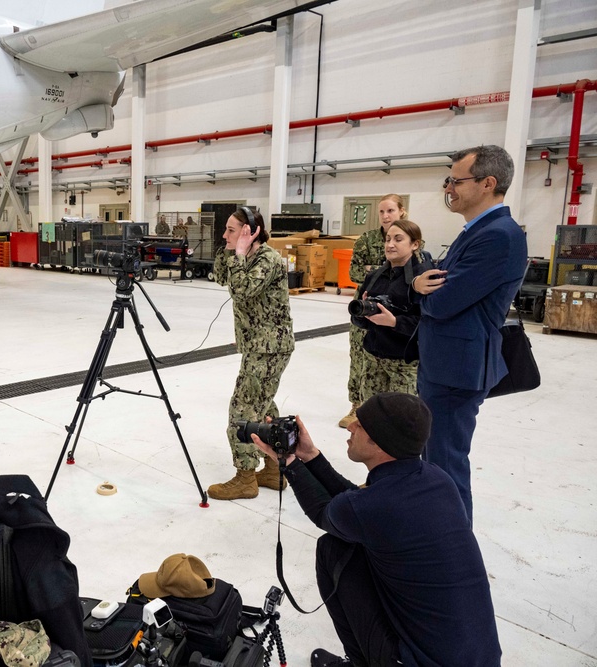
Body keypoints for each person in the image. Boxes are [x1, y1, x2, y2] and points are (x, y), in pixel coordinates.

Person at [251, 393, 501, 667]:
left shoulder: (376, 506)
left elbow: (327, 512)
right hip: (479, 656)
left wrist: (287, 463)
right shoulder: (437, 479)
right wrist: (309, 455)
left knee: (332, 549)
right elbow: (355, 506)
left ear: (380, 443)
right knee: (355, 544)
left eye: (360, 424)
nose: (350, 427)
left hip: (420, 661)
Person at [412, 145, 527, 521]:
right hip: (443, 365)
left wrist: (421, 292)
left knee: (446, 468)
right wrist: (422, 285)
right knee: (434, 461)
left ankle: (453, 555)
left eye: (456, 180)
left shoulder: (499, 236)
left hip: (456, 371)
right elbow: (438, 284)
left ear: (488, 183)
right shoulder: (476, 230)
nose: (449, 188)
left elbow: (442, 301)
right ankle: (438, 537)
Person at [207, 207, 294, 500]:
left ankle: (245, 477)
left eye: (231, 230)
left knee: (243, 409)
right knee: (265, 407)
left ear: (251, 231)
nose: (224, 235)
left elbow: (243, 290)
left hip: (269, 347)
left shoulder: (267, 259)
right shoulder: (243, 256)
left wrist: (240, 253)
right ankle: (273, 467)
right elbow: (221, 277)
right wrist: (232, 249)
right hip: (258, 344)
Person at [340, 194, 407, 428]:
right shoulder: (366, 240)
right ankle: (356, 404)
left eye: (390, 211)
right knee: (359, 358)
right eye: (382, 212)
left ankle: (385, 408)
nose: (386, 216)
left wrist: (374, 270)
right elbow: (354, 273)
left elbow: (410, 272)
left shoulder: (410, 237)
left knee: (391, 361)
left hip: (396, 311)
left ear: (401, 212)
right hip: (365, 312)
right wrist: (382, 271)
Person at [349, 220, 433, 403]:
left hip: (405, 365)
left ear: (415, 244)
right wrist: (362, 315)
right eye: (387, 239)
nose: (390, 244)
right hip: (373, 360)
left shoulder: (424, 278)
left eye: (398, 239)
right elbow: (357, 318)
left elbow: (429, 323)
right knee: (370, 419)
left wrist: (395, 322)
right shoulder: (374, 277)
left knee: (400, 422)